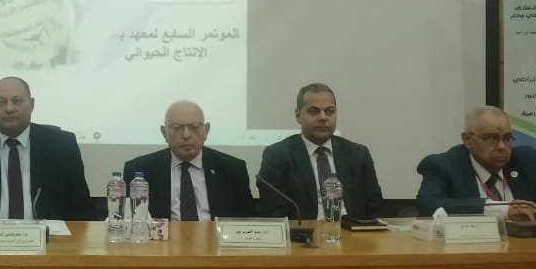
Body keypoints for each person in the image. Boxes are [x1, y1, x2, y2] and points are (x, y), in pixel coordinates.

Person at [0, 76, 94, 221]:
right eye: (1, 102)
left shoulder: (62, 145)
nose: (9, 109)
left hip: (48, 237)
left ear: (32, 104)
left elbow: (82, 209)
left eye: (17, 101)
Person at [416, 105, 536, 220]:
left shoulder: (525, 160)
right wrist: (505, 210)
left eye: (507, 138)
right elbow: (429, 205)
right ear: (467, 140)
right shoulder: (444, 165)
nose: (502, 147)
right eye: (491, 138)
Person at [257, 83, 384, 221]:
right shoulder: (277, 155)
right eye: (314, 111)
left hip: (352, 230)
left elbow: (376, 208)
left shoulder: (358, 154)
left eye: (329, 111)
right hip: (304, 232)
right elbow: (275, 214)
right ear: (298, 115)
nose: (323, 117)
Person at [123, 100, 253, 220]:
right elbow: (130, 221)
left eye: (195, 127)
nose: (186, 135)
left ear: (206, 130)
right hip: (163, 238)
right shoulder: (140, 170)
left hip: (214, 237)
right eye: (177, 127)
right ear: (164, 132)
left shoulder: (232, 169)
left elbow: (249, 221)